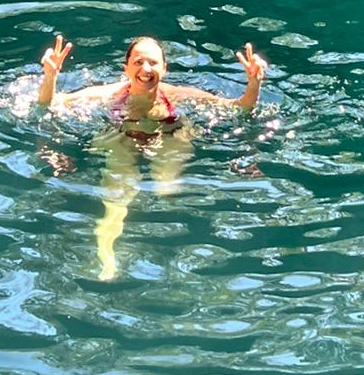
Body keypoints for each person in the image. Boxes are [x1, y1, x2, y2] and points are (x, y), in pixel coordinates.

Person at [36, 33, 267, 279]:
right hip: (122, 137)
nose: (146, 69)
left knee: (166, 189)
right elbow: (48, 104)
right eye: (138, 62)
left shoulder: (178, 94)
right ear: (126, 68)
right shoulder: (107, 94)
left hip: (166, 136)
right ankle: (107, 258)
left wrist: (254, 82)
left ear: (164, 69)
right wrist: (50, 76)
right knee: (116, 199)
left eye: (153, 63)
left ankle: (172, 257)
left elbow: (239, 107)